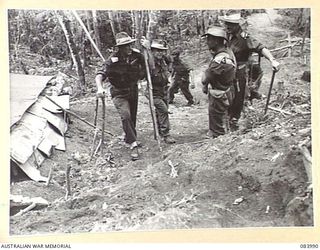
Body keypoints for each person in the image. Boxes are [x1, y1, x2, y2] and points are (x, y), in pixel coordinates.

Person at [220, 13, 280, 130]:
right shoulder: (225, 36)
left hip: (239, 72)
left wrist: (273, 60)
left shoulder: (245, 38)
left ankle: (234, 120)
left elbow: (261, 48)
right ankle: (224, 121)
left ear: (237, 25)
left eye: (231, 24)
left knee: (239, 97)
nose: (227, 26)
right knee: (224, 96)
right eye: (226, 23)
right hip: (225, 71)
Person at [95, 32, 145, 161]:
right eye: (126, 46)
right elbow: (100, 75)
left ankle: (129, 137)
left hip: (133, 91)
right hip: (119, 93)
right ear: (120, 48)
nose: (129, 48)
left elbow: (147, 67)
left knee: (132, 117)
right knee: (125, 115)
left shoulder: (137, 55)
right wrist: (100, 88)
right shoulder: (112, 60)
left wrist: (148, 50)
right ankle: (133, 144)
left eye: (130, 45)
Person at [201, 26, 236, 138]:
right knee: (223, 119)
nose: (207, 42)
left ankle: (219, 141)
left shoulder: (219, 60)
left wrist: (205, 79)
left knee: (218, 123)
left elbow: (205, 79)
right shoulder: (228, 54)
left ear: (217, 41)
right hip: (226, 91)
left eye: (209, 39)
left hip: (219, 94)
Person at [143, 39, 175, 144]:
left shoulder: (163, 60)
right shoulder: (149, 62)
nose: (160, 53)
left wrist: (169, 70)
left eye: (161, 51)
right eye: (157, 50)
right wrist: (147, 49)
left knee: (160, 112)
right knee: (164, 110)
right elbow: (151, 67)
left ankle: (159, 132)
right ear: (152, 51)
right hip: (154, 92)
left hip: (164, 90)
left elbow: (171, 60)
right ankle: (166, 134)